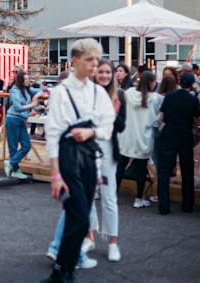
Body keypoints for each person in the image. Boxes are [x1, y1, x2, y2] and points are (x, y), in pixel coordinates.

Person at [42, 38, 115, 283]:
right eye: (89, 60)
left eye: (97, 59)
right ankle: (63, 270)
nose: (95, 64)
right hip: (68, 154)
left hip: (89, 153)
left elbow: (107, 125)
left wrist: (91, 133)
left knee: (79, 216)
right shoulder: (61, 92)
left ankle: (62, 271)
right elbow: (52, 134)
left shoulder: (97, 92)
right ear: (75, 61)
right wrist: (55, 175)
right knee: (81, 216)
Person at [84, 59, 125, 261]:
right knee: (88, 195)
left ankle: (113, 243)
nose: (105, 76)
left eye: (108, 72)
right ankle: (89, 237)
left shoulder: (119, 96)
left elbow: (121, 126)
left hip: (108, 151)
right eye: (101, 72)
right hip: (88, 150)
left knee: (109, 197)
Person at [156, 73, 200, 215]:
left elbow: (162, 116)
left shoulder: (169, 97)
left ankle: (164, 206)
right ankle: (187, 205)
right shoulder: (193, 100)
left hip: (169, 132)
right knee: (187, 170)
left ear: (179, 83)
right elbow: (197, 121)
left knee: (163, 171)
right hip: (184, 134)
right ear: (191, 85)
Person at [117, 71, 163, 208]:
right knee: (142, 169)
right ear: (150, 82)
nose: (155, 84)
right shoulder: (154, 98)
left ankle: (113, 195)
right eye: (154, 81)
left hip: (126, 136)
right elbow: (157, 119)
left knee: (120, 166)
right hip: (143, 137)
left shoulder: (129, 92)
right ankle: (139, 199)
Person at [4, 71, 42, 180]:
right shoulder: (15, 91)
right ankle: (15, 170)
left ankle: (11, 163)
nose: (28, 81)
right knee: (13, 147)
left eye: (28, 79)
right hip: (13, 119)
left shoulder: (27, 90)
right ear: (20, 80)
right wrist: (31, 105)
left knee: (26, 145)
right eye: (25, 79)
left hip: (21, 120)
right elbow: (17, 107)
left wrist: (37, 96)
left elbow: (41, 90)